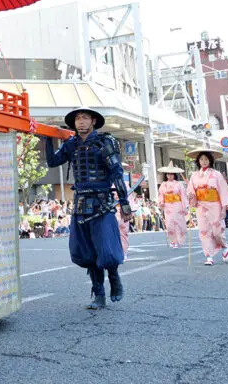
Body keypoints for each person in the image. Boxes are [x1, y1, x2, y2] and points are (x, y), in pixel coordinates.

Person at [45, 107, 132, 309]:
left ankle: (114, 276)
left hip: (102, 203)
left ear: (93, 121)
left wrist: (124, 202)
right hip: (81, 204)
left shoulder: (105, 142)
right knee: (87, 252)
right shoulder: (71, 144)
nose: (81, 121)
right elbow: (52, 162)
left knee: (107, 249)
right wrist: (48, 138)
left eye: (85, 118)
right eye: (77, 118)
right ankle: (99, 294)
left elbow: (116, 172)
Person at [186, 148, 228, 266]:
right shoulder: (194, 176)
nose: (204, 161)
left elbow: (223, 191)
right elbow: (191, 191)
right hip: (201, 205)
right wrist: (191, 196)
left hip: (215, 205)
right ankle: (209, 256)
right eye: (201, 159)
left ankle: (224, 246)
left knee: (217, 231)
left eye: (206, 159)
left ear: (210, 160)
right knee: (204, 231)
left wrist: (224, 208)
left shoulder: (216, 175)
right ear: (198, 161)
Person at [157, 161, 188, 248]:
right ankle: (172, 240)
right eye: (168, 174)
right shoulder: (163, 184)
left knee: (178, 222)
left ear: (174, 175)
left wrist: (185, 206)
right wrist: (161, 202)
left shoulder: (179, 184)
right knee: (169, 223)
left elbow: (183, 195)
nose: (170, 176)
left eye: (171, 174)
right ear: (166, 175)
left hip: (177, 205)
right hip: (168, 206)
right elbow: (161, 194)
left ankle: (179, 240)